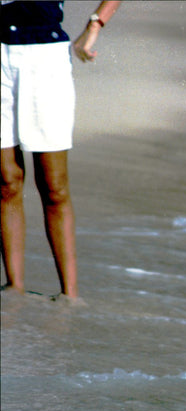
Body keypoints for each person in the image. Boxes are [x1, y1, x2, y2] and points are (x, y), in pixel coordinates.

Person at [1, 1, 120, 302]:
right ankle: (13, 288)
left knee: (54, 185)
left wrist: (95, 25)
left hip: (45, 59)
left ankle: (70, 296)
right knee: (6, 181)